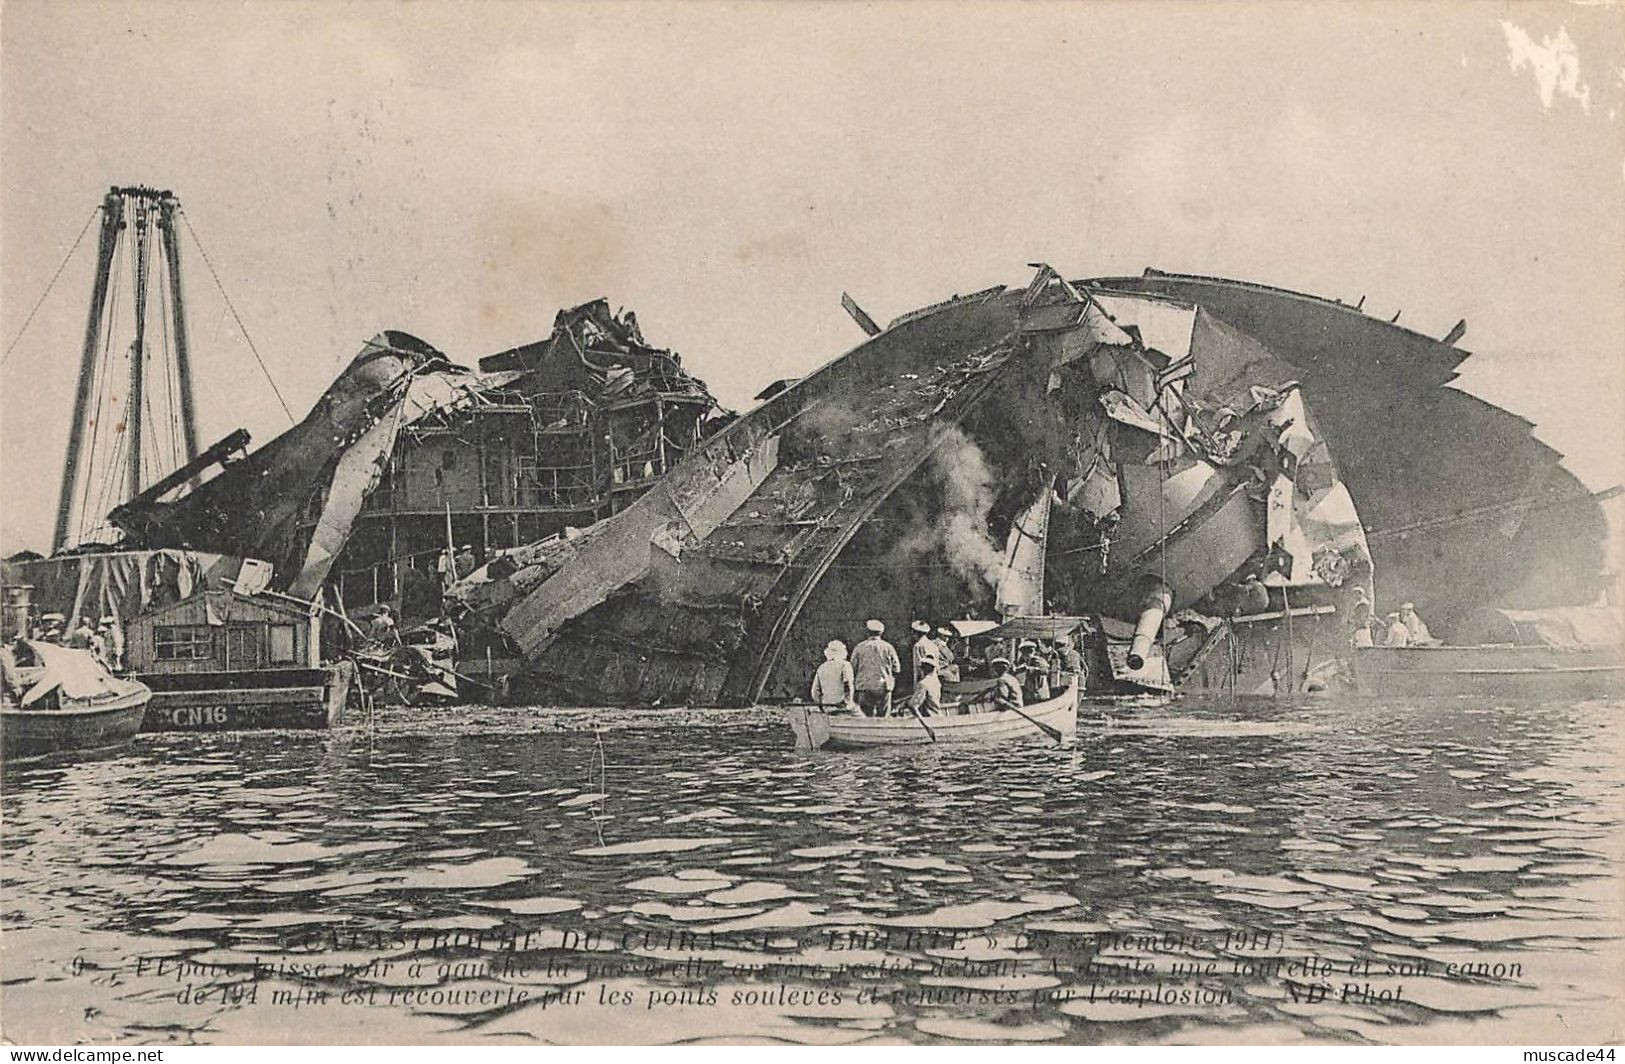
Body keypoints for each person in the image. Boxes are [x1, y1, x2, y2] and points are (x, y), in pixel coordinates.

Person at [850, 619, 900, 718]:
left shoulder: (859, 647)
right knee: (884, 717)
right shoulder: (888, 647)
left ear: (867, 632)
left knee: (866, 717)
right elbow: (897, 668)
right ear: (881, 633)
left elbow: (852, 668)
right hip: (884, 686)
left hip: (865, 686)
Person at [809, 640, 857, 712]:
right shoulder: (845, 665)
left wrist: (821, 705)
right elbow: (848, 685)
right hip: (842, 707)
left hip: (827, 707)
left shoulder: (821, 668)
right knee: (863, 716)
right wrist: (848, 702)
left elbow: (814, 692)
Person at [909, 620, 938, 687]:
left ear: (916, 633)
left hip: (923, 682)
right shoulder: (933, 645)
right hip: (934, 680)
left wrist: (916, 685)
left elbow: (918, 667)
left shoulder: (918, 646)